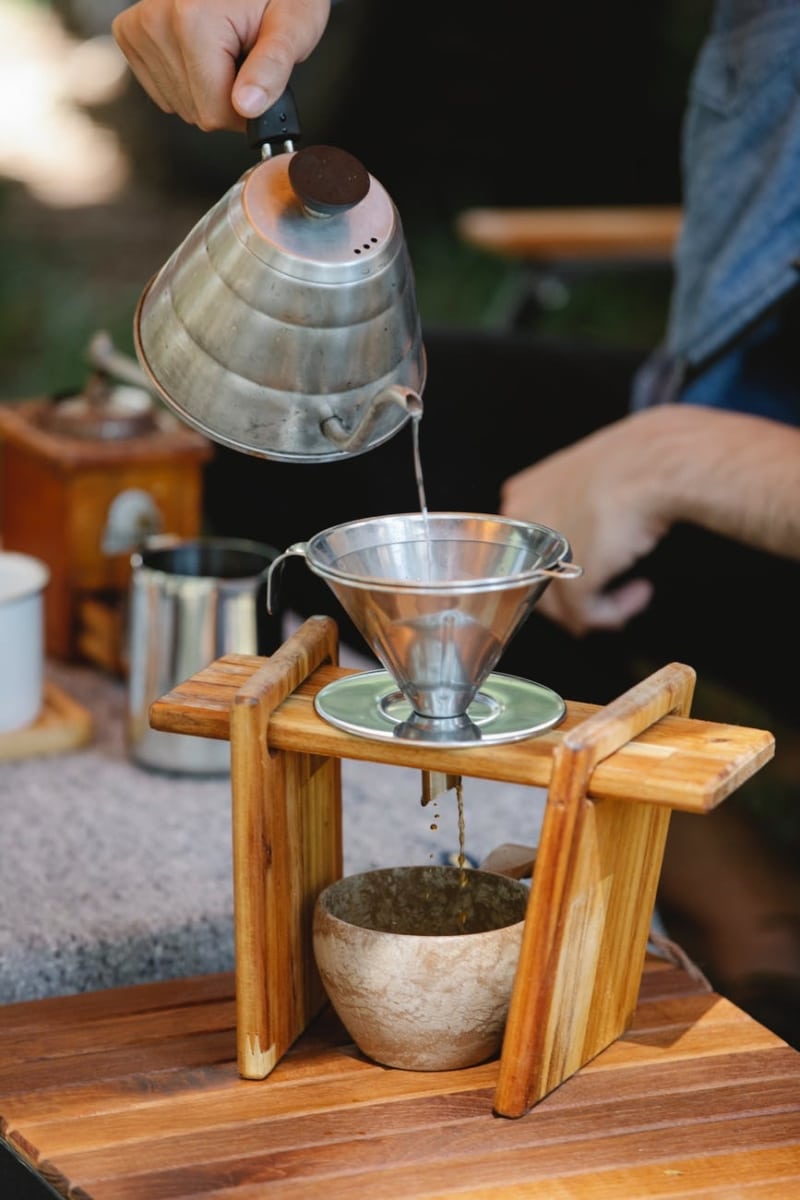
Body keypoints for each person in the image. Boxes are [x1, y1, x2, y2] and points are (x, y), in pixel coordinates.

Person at [112, 0, 800, 1046]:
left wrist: (677, 461)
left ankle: (748, 938)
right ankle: (729, 880)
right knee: (307, 447)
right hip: (736, 406)